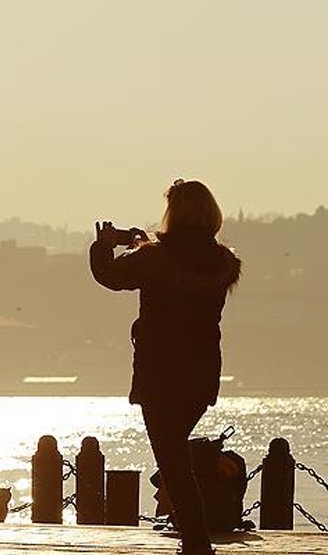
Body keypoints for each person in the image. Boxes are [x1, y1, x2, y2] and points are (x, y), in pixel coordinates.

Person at [90, 179, 241, 555]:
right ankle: (196, 538)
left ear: (174, 212)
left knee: (171, 459)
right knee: (174, 455)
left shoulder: (154, 258)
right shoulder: (223, 262)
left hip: (160, 373)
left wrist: (103, 246)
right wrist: (146, 245)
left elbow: (110, 276)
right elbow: (176, 264)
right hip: (202, 371)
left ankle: (197, 543)